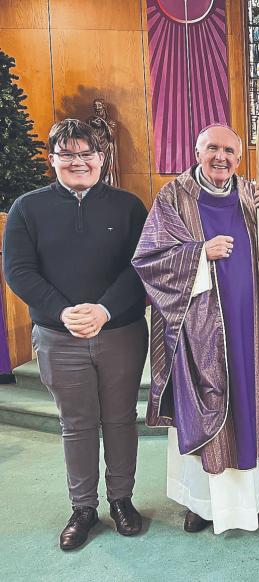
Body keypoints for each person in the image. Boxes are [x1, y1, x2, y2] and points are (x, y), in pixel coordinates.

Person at [132, 124, 259, 535]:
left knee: (248, 403)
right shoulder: (173, 196)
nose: (221, 157)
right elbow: (149, 258)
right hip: (199, 329)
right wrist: (200, 252)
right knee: (205, 407)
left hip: (250, 327)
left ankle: (249, 502)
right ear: (197, 150)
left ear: (239, 157)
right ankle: (200, 503)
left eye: (229, 151)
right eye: (212, 149)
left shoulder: (251, 193)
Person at [3, 119, 148, 550]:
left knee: (121, 419)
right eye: (68, 154)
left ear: (102, 158)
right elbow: (19, 271)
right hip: (58, 335)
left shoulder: (128, 206)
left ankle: (122, 499)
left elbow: (143, 265)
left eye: (87, 153)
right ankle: (83, 507)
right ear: (53, 160)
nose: (78, 162)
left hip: (120, 330)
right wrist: (64, 311)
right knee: (77, 424)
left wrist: (103, 309)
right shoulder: (28, 207)